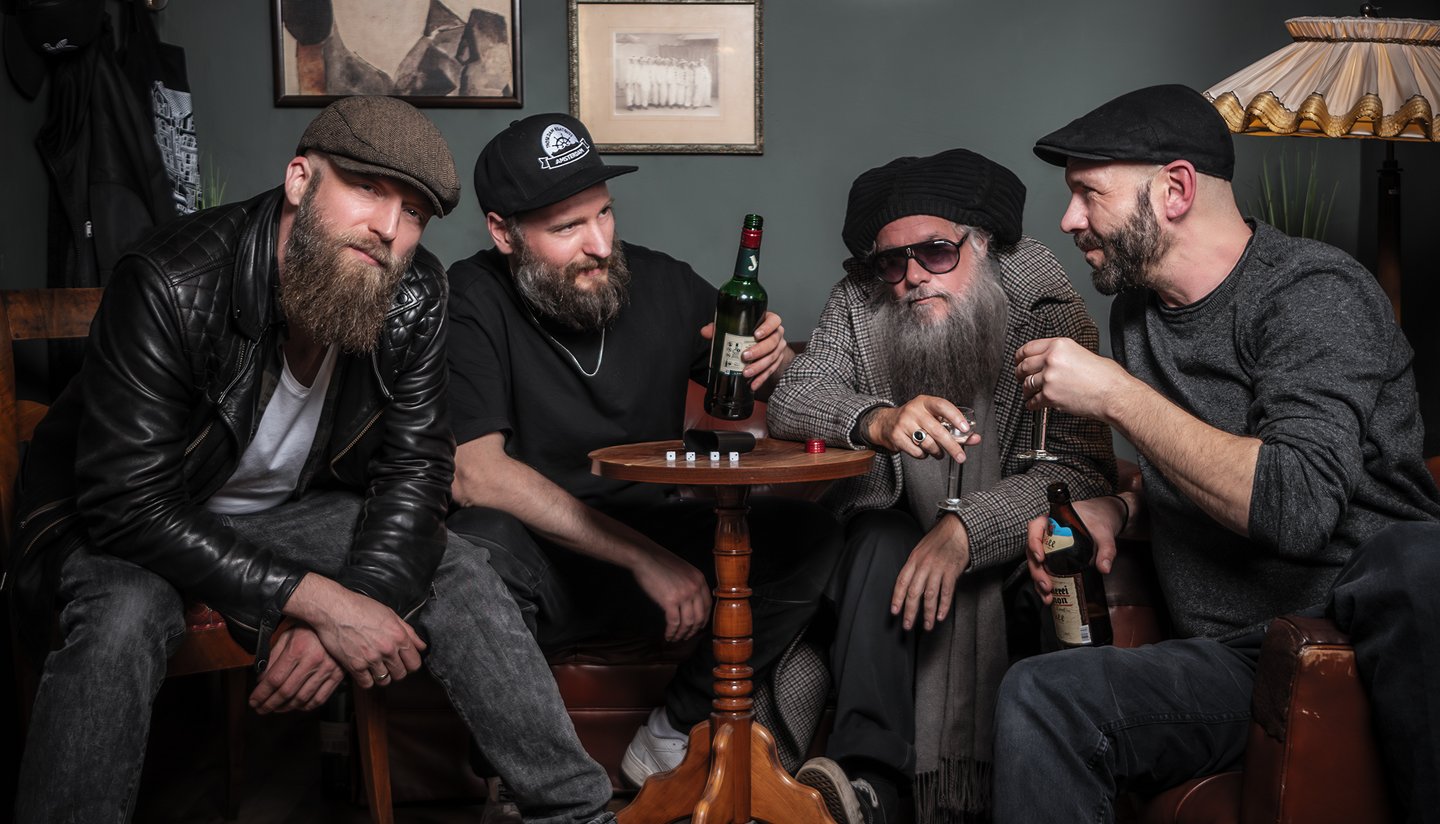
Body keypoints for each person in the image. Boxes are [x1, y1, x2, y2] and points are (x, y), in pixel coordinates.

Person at [9, 96, 614, 824]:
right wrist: (321, 601)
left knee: (456, 564)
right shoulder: (170, 279)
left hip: (278, 517)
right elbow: (126, 504)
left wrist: (360, 603)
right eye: (367, 189)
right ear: (300, 179)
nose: (387, 228)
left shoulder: (415, 294)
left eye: (413, 212)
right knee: (123, 613)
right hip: (125, 522)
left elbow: (416, 476)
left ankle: (579, 813)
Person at [995, 84, 1440, 824]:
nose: (1069, 219)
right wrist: (1120, 508)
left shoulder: (1313, 293)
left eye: (1089, 194)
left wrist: (1116, 396)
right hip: (1238, 662)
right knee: (1042, 694)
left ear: (1175, 189)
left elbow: (1295, 507)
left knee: (1420, 555)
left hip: (1356, 647)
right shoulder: (1137, 312)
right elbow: (1200, 462)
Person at [444, 113, 843, 788]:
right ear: (503, 232)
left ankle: (670, 733)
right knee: (476, 548)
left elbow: (747, 385)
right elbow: (475, 474)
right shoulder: (469, 298)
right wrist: (643, 558)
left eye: (604, 212)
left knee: (809, 534)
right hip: (542, 563)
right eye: (567, 228)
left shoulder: (662, 283)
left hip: (656, 545)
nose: (600, 245)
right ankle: (517, 783)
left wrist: (771, 362)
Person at [767, 148, 1115, 824]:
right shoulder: (861, 299)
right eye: (893, 262)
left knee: (1052, 566)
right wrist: (876, 419)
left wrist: (965, 532)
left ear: (981, 245)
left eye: (935, 252)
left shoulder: (1044, 309)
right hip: (885, 550)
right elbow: (794, 396)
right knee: (876, 542)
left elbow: (1078, 470)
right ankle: (870, 789)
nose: (912, 278)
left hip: (1012, 552)